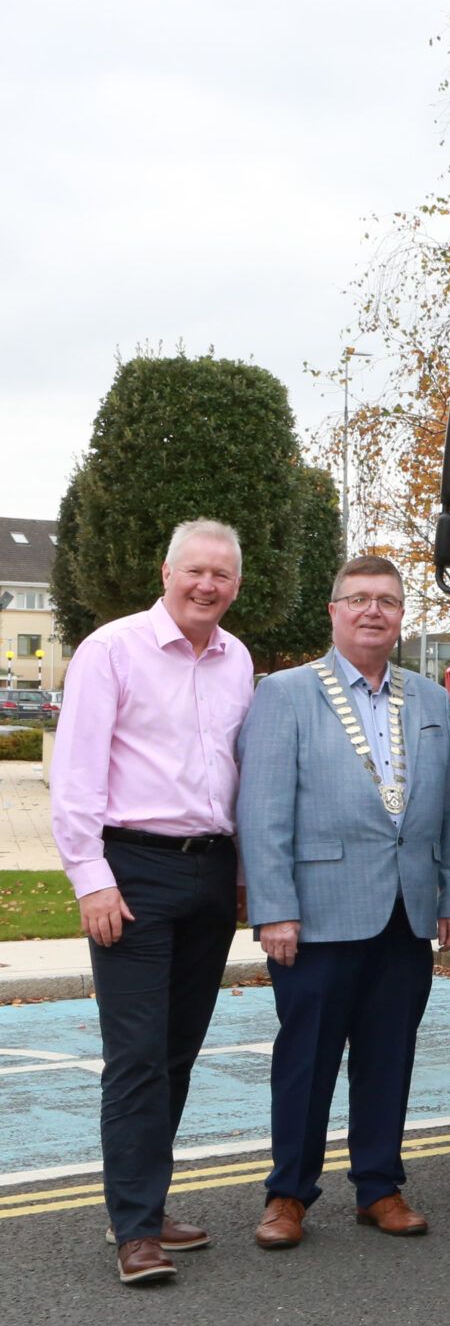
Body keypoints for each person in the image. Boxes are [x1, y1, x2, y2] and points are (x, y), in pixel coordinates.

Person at [239, 555, 450, 1249]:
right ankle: (288, 1194)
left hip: (406, 912)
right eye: (359, 599)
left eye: (387, 601)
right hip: (316, 914)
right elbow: (262, 812)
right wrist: (274, 908)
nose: (374, 611)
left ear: (402, 615)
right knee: (306, 1061)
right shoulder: (285, 694)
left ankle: (379, 1187)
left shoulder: (429, 700)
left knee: (389, 1055)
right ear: (334, 611)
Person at [53, 520, 256, 1284]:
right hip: (132, 872)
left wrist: (241, 878)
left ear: (236, 585)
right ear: (166, 570)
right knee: (136, 1057)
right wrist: (90, 878)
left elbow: (234, 776)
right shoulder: (111, 650)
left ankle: (146, 1198)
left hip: (210, 872)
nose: (208, 586)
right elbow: (74, 774)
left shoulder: (237, 660)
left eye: (223, 576)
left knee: (176, 1051)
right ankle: (135, 1231)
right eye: (196, 571)